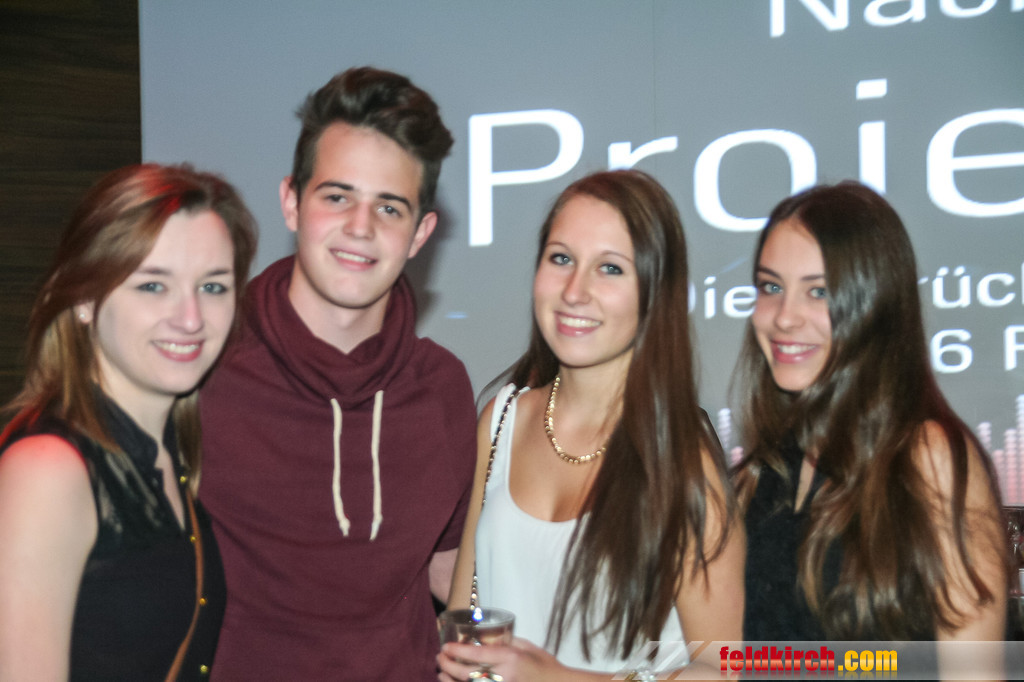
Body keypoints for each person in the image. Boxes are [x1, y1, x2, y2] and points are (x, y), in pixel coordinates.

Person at [197, 66, 477, 680]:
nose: (360, 227)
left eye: (390, 207)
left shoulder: (442, 387)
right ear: (291, 202)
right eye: (337, 197)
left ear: (421, 233)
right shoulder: (206, 364)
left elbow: (449, 572)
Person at [440, 170, 745, 680]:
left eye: (610, 268)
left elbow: (724, 669)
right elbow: (464, 621)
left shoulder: (682, 459)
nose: (575, 291)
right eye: (561, 259)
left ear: (656, 293)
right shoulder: (501, 421)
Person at [0, 163, 257, 680]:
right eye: (153, 286)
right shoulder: (49, 471)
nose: (191, 319)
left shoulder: (171, 453)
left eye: (213, 287)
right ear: (84, 298)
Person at [734, 183, 1008, 654]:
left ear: (876, 305)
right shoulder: (759, 475)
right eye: (771, 287)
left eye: (819, 292)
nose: (784, 317)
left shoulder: (930, 457)